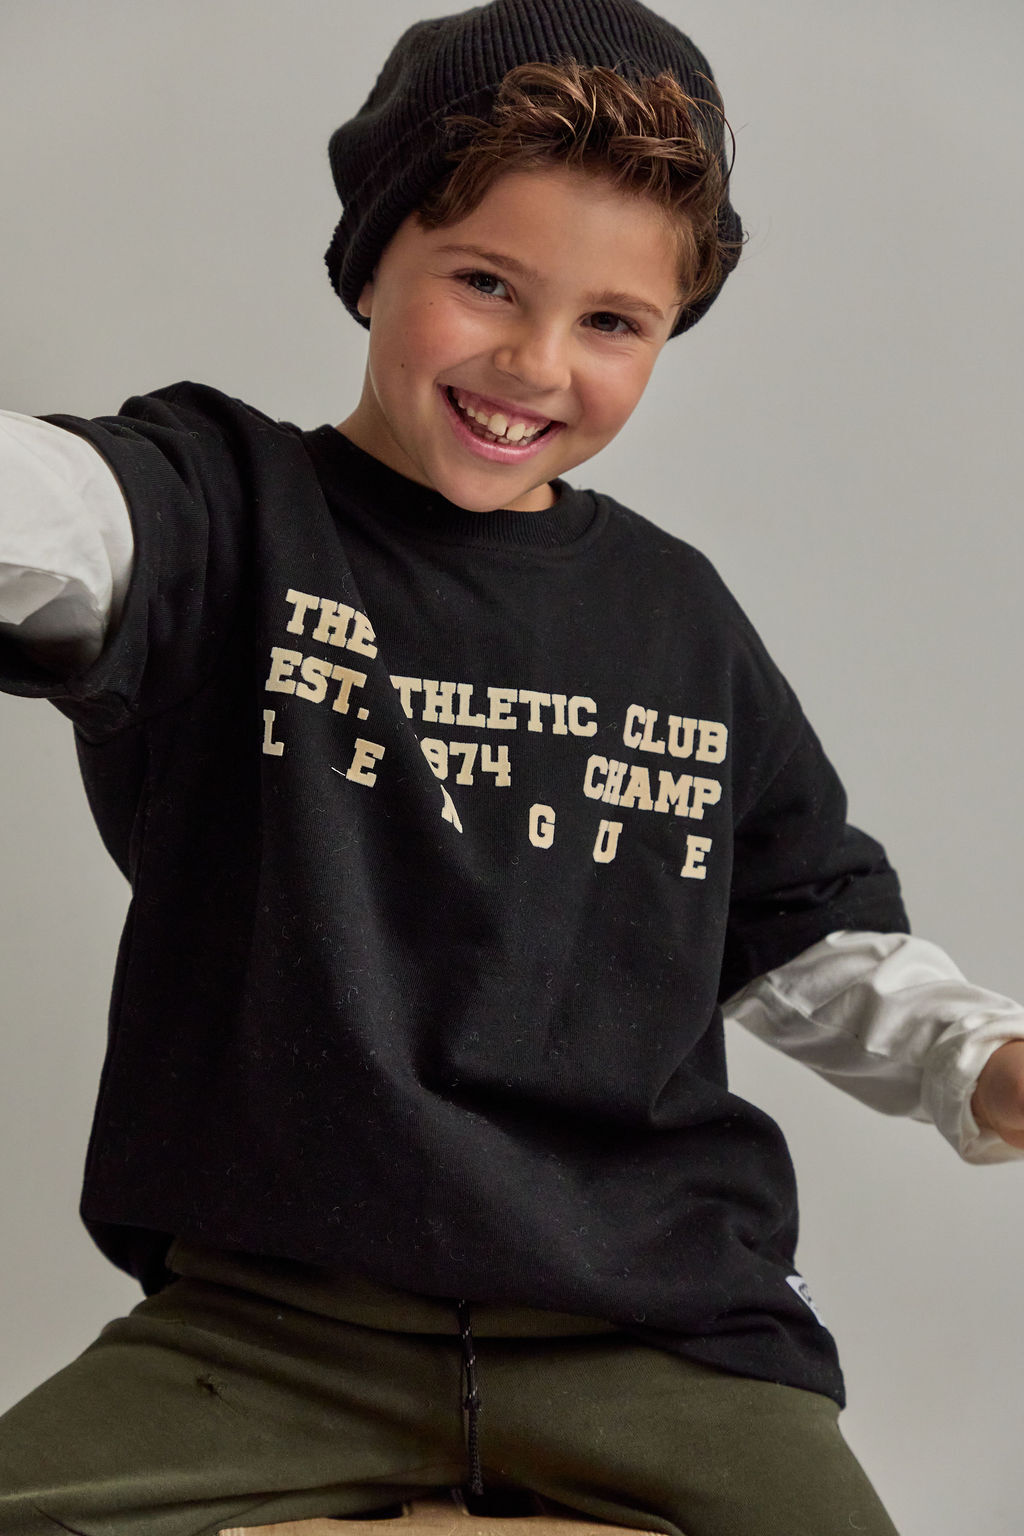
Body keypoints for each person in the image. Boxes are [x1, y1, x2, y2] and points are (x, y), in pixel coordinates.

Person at [0, 2, 1021, 1532]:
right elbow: (55, 510)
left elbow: (808, 927)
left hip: (659, 1332)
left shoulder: (679, 618)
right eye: (485, 282)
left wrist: (987, 1061)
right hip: (269, 1333)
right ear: (372, 262)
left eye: (614, 323)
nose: (536, 364)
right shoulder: (219, 515)